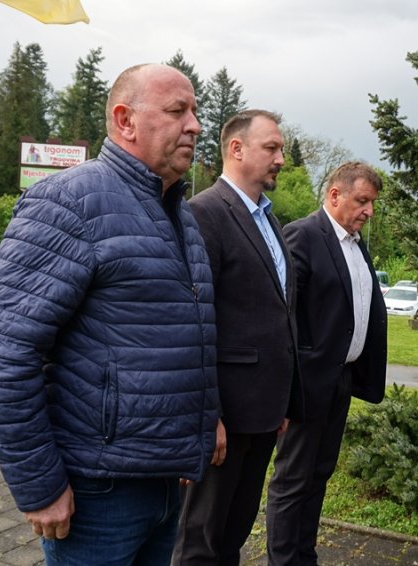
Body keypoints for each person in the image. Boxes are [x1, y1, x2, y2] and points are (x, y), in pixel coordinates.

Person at [0, 64, 220, 566]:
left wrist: (202, 424)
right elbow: (1, 351)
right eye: (177, 111)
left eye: (195, 111)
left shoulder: (178, 211)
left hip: (164, 481)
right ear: (125, 120)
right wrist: (39, 485)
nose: (195, 125)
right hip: (98, 494)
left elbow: (185, 334)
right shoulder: (68, 202)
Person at [173, 109, 304, 565]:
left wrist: (283, 401)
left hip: (263, 412)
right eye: (271, 147)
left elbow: (277, 315)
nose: (281, 159)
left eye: (281, 149)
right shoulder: (204, 213)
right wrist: (207, 415)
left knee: (233, 534)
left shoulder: (269, 219)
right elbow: (194, 321)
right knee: (200, 541)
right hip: (224, 415)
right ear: (236, 149)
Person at [266, 161, 387, 566]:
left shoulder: (355, 243)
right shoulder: (303, 234)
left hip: (340, 380)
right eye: (362, 201)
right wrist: (290, 382)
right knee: (292, 480)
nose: (369, 211)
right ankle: (283, 561)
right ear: (335, 195)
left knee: (319, 475)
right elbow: (283, 314)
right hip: (306, 382)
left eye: (372, 203)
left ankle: (304, 556)